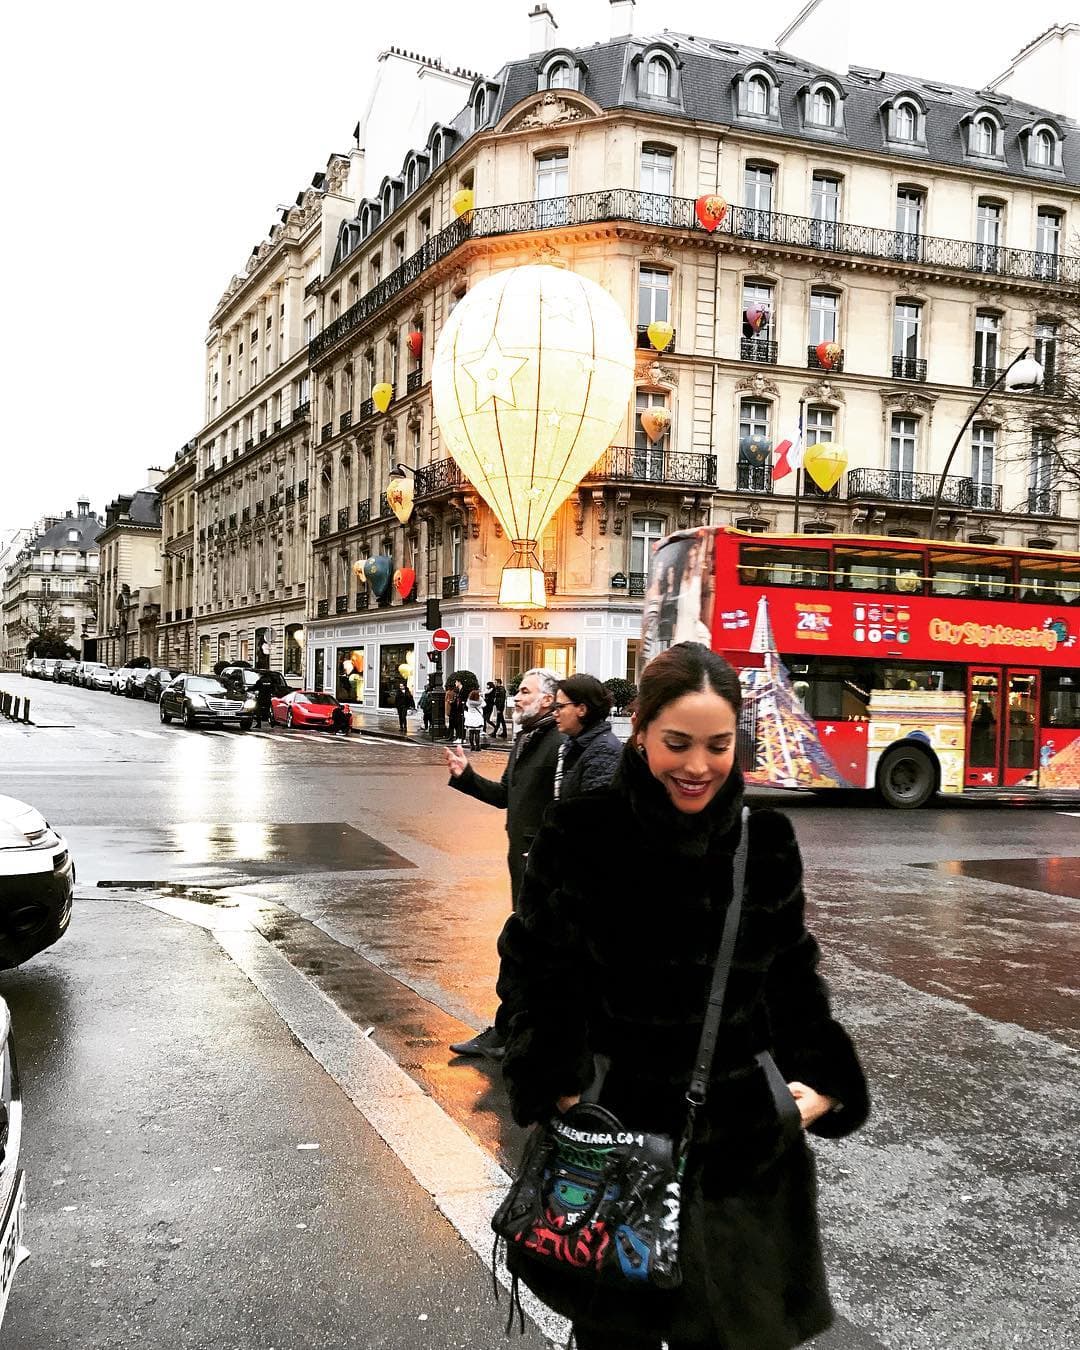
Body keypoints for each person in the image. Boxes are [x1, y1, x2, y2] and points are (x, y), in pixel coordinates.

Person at [496, 642, 869, 1350]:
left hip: (741, 1152)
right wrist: (560, 1085)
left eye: (718, 745)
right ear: (639, 732)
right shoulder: (583, 832)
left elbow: (790, 975)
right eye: (677, 743)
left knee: (731, 1333)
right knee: (614, 1339)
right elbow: (535, 971)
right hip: (619, 1145)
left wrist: (821, 1084)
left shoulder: (766, 841)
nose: (698, 766)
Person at [445, 668, 562, 1060]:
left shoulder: (561, 742)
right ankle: (519, 1033)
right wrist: (466, 777)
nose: (515, 698)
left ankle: (509, 1033)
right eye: (517, 691)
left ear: (548, 700)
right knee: (527, 952)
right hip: (524, 865)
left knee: (523, 952)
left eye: (524, 692)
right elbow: (504, 796)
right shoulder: (526, 739)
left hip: (545, 867)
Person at [552, 673, 622, 799]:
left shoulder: (603, 750)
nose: (555, 713)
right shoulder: (574, 744)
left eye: (560, 707)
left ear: (582, 710)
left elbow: (592, 812)